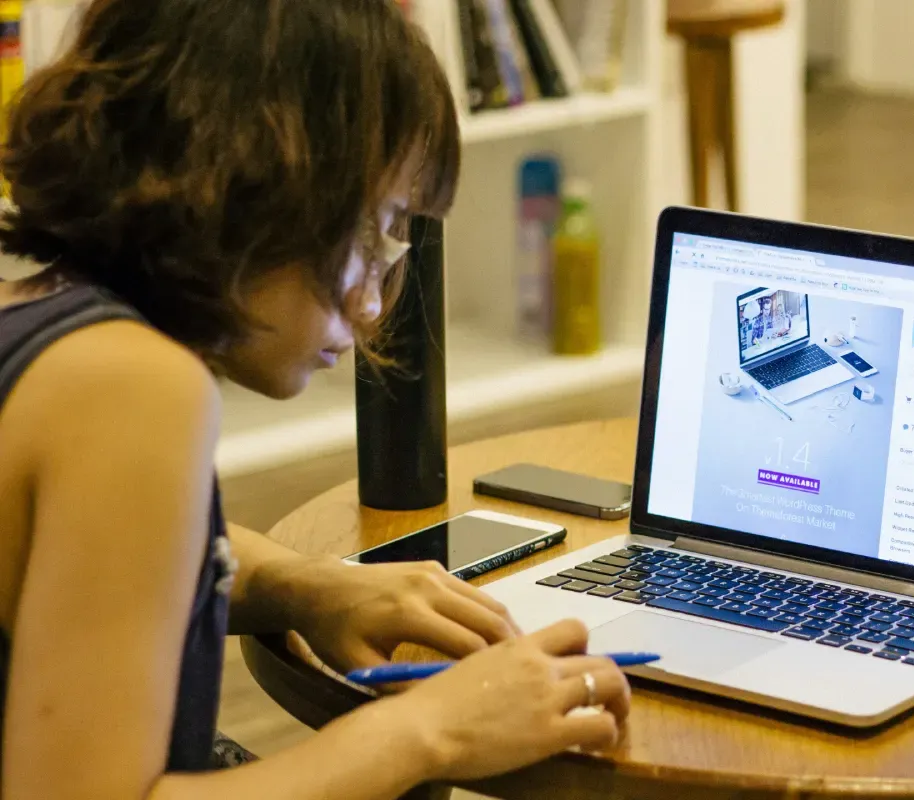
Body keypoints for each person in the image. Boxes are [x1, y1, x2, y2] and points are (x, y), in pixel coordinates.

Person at [0, 2, 630, 798]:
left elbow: (89, 558)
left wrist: (302, 585)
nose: (372, 303)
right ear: (266, 184)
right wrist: (431, 729)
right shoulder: (139, 387)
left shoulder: (33, 315)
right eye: (375, 230)